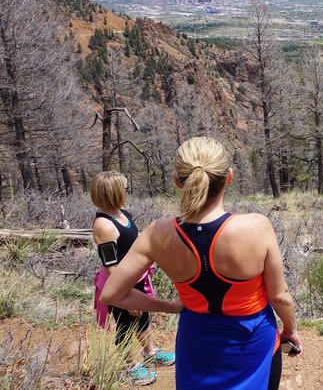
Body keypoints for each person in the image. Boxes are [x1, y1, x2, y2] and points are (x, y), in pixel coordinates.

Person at [101, 137, 301, 390]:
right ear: (228, 177)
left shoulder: (158, 233)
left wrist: (171, 307)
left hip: (196, 340)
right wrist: (290, 329)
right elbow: (280, 296)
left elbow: (111, 293)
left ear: (177, 181)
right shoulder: (257, 226)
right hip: (252, 343)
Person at [90, 171, 176, 386]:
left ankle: (150, 352)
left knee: (142, 317)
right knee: (125, 323)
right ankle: (130, 365)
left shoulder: (122, 214)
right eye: (125, 188)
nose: (127, 192)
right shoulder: (104, 225)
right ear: (114, 192)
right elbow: (111, 266)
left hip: (134, 278)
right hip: (118, 283)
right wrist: (126, 294)